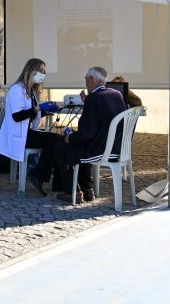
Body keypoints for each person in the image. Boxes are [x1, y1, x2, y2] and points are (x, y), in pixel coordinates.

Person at [29, 66, 126, 202]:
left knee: (61, 148)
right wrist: (88, 103)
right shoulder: (116, 94)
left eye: (86, 79)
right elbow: (103, 116)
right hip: (116, 149)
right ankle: (87, 189)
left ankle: (72, 192)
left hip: (100, 150)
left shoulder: (94, 98)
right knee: (80, 146)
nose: (85, 82)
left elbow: (87, 133)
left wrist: (70, 137)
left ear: (91, 80)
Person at [0, 58, 64, 195]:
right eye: (40, 71)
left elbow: (32, 114)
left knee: (57, 140)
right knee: (55, 139)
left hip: (27, 133)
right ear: (30, 70)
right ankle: (40, 175)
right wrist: (38, 108)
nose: (43, 74)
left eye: (44, 72)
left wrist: (48, 110)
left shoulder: (31, 91)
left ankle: (53, 179)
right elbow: (17, 116)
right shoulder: (17, 89)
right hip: (18, 135)